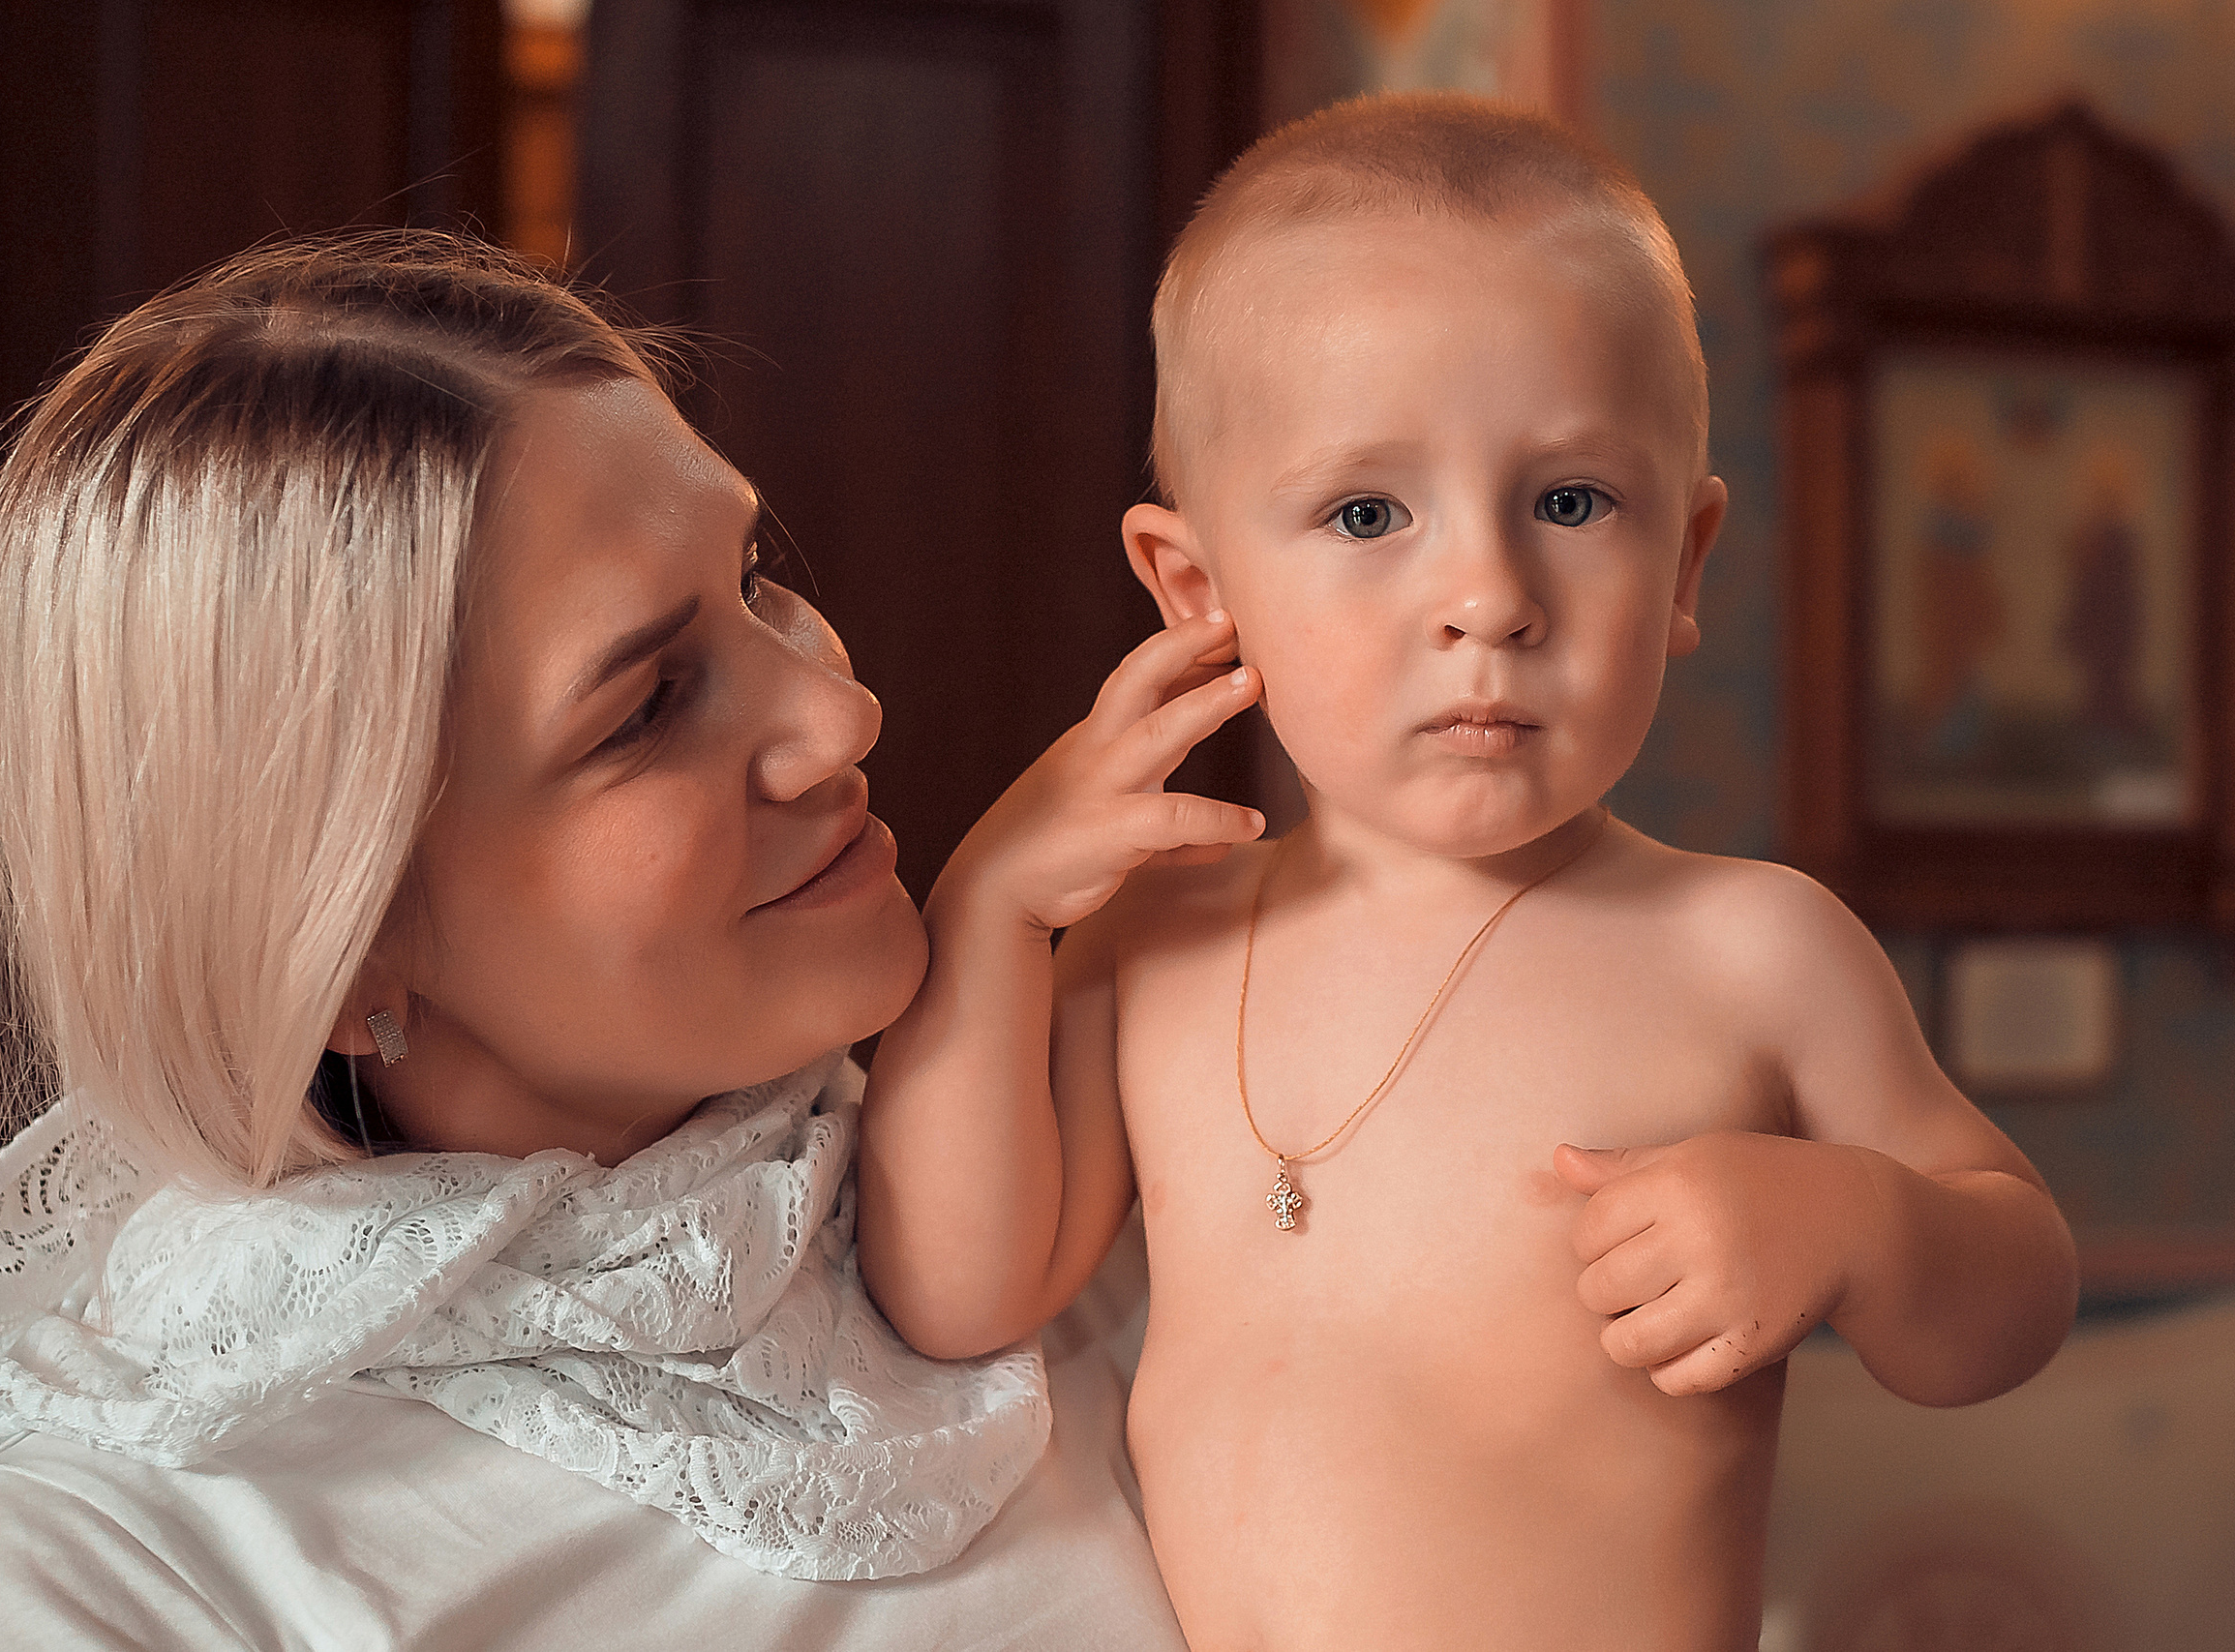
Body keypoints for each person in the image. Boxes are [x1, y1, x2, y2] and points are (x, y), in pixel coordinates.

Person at [856, 94, 2078, 1650]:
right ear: (1194, 587)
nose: (1489, 596)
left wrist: (1862, 1226)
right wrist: (987, 907)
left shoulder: (1748, 947)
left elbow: (2019, 1286)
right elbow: (958, 1292)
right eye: (1370, 512)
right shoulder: (1153, 934)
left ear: (1686, 563)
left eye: (1573, 502)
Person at [0, 235, 1184, 1650]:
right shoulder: (106, 1571)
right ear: (344, 942)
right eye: (644, 707)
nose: (837, 720)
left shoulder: (1145, 1181)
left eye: (756, 585)